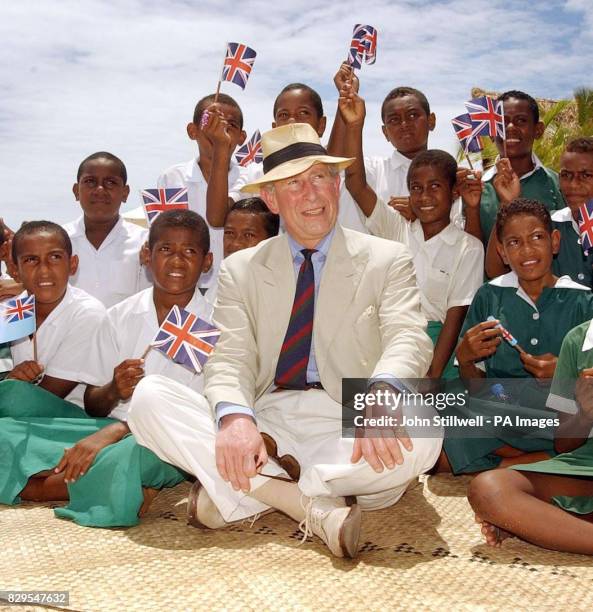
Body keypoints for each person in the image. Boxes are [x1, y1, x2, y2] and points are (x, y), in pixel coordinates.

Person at [127, 123, 440, 559]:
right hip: (268, 422)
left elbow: (408, 335)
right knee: (148, 398)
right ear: (271, 199)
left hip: (353, 416)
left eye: (320, 177)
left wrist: (382, 392)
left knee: (430, 419)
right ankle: (307, 504)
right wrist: (236, 420)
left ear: (336, 183)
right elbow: (230, 356)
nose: (312, 194)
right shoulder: (241, 270)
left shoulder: (386, 258)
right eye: (294, 183)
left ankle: (251, 490)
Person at [0, 210, 214, 527]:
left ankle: (41, 485)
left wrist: (112, 434)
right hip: (99, 426)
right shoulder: (121, 315)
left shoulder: (212, 323)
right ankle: (100, 481)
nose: (177, 262)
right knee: (6, 431)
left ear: (207, 262)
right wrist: (113, 389)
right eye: (166, 250)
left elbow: (194, 416)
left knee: (128, 458)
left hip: (163, 440)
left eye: (189, 252)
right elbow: (93, 403)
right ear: (147, 256)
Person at [436, 199, 593, 474]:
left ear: (554, 242)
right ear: (502, 252)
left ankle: (505, 462)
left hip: (560, 415)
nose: (527, 250)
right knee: (446, 405)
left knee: (443, 457)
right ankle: (535, 459)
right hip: (502, 406)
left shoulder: (583, 301)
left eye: (537, 237)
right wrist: (466, 358)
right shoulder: (490, 295)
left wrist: (564, 372)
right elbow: (477, 387)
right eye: (514, 242)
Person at [341, 88, 484, 379]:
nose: (425, 196)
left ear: (454, 192)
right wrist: (355, 126)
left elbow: (455, 317)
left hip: (440, 350)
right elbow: (356, 184)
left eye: (435, 187)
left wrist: (432, 376)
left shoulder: (468, 247)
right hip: (388, 340)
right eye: (416, 189)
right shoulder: (396, 227)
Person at [469, 318, 593, 555]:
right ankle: (557, 524)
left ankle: (548, 524)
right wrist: (585, 416)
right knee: (488, 490)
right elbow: (564, 444)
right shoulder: (577, 341)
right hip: (585, 464)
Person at [2, 221, 106, 408]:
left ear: (72, 264)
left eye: (55, 257)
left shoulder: (87, 314)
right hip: (15, 411)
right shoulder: (9, 311)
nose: (44, 270)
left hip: (69, 419)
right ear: (15, 271)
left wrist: (10, 387)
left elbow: (48, 395)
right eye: (31, 260)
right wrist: (10, 381)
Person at [328, 63, 441, 225]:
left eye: (412, 115)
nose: (404, 124)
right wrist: (346, 101)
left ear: (431, 121)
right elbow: (333, 166)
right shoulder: (372, 170)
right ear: (385, 132)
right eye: (394, 120)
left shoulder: (449, 176)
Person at [158, 93, 246, 292]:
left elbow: (218, 217)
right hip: (185, 287)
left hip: (237, 287)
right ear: (192, 131)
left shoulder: (251, 177)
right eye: (210, 121)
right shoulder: (171, 177)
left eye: (229, 125)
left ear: (241, 137)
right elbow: (162, 232)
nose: (219, 131)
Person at [485, 137, 593, 284]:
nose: (573, 185)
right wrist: (507, 203)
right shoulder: (549, 224)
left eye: (586, 176)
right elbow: (495, 270)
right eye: (566, 175)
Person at [463, 90, 564, 243]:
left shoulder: (559, 184)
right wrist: (472, 209)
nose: (509, 127)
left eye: (521, 120)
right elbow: (472, 252)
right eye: (501, 122)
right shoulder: (476, 188)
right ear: (491, 133)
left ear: (538, 130)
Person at [64, 152, 151, 308]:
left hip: (126, 332)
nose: (99, 190)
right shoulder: (59, 242)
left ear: (125, 193)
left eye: (110, 182)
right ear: (76, 191)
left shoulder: (145, 242)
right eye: (90, 181)